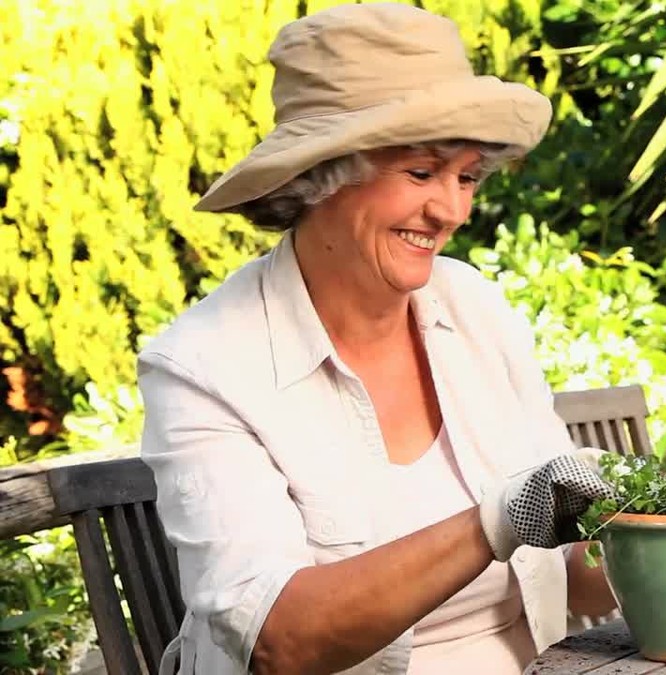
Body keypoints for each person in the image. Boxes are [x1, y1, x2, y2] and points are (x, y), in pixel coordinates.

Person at [138, 5, 624, 674]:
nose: (451, 210)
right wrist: (497, 518)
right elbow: (281, 638)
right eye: (421, 173)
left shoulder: (473, 307)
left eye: (466, 177)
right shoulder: (204, 364)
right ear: (320, 176)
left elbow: (578, 574)